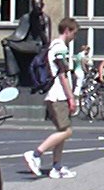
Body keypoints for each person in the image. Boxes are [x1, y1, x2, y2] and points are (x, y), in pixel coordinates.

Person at [24, 17, 81, 179]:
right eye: (74, 34)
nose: (74, 37)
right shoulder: (60, 48)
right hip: (58, 95)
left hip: (54, 95)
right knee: (67, 131)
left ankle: (56, 166)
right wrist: (71, 98)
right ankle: (35, 154)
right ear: (67, 31)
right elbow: (63, 75)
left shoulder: (52, 46)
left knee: (61, 130)